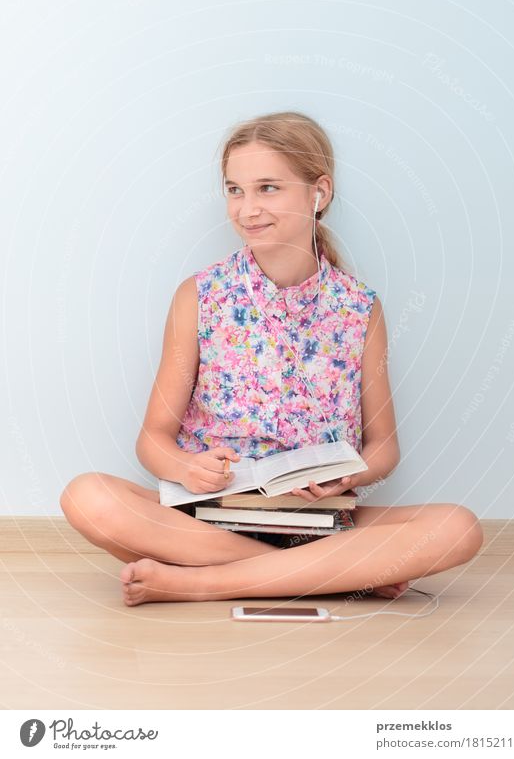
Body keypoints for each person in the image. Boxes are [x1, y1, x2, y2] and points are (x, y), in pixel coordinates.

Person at [60, 110, 483, 607]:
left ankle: (201, 582)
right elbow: (153, 439)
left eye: (267, 188)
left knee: (460, 528)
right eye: (235, 190)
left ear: (318, 193)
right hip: (207, 520)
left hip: (319, 524)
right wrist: (187, 467)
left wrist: (349, 475)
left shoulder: (359, 308)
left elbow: (383, 447)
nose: (246, 208)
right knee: (86, 497)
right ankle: (337, 576)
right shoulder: (199, 296)